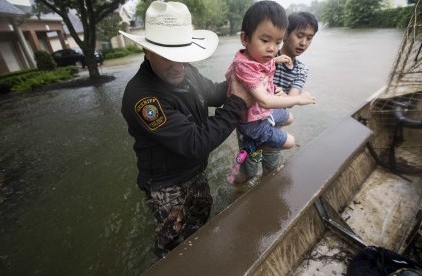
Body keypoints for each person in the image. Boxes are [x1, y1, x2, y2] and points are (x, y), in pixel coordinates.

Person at [119, 1, 251, 258]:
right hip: (167, 184)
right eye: (167, 56)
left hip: (195, 171)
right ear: (146, 50)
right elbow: (195, 143)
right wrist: (238, 104)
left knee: (201, 221)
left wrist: (245, 80)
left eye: (183, 54)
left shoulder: (185, 70)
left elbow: (212, 92)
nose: (178, 64)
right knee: (173, 243)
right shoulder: (144, 98)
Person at [225, 1, 316, 184]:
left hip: (268, 117)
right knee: (249, 171)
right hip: (254, 119)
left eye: (309, 38)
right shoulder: (263, 54)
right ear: (288, 33)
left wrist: (291, 97)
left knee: (272, 169)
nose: (303, 43)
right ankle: (237, 181)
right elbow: (259, 83)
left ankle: (262, 185)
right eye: (299, 35)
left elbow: (288, 101)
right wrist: (295, 98)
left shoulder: (297, 68)